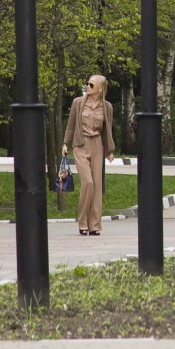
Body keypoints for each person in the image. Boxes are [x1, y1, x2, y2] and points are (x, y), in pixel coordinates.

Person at [62, 74, 115, 235]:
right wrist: (65, 144)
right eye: (87, 84)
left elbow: (107, 130)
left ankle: (95, 225)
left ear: (100, 88)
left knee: (97, 186)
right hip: (81, 144)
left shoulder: (107, 107)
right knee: (88, 183)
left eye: (91, 85)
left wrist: (109, 151)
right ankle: (82, 221)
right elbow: (71, 125)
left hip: (97, 144)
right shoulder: (78, 103)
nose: (88, 87)